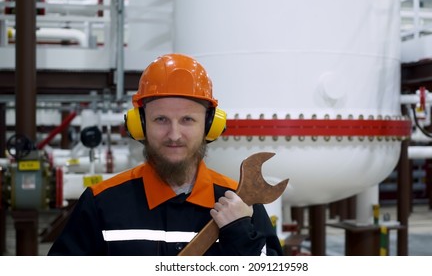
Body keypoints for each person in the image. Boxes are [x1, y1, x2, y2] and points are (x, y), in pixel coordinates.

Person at [48, 53, 283, 256]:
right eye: (161, 119)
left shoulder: (242, 207)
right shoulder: (101, 203)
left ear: (209, 126)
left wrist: (240, 233)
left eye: (187, 120)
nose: (174, 134)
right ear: (140, 125)